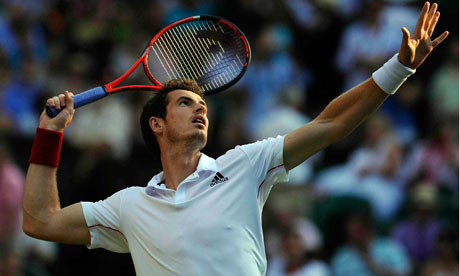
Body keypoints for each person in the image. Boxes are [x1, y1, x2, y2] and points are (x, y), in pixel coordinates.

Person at [22, 3, 448, 275]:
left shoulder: (244, 165)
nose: (202, 108)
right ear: (156, 124)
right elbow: (40, 222)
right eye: (186, 103)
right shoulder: (129, 205)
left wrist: (398, 69)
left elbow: (330, 124)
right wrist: (48, 134)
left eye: (202, 103)